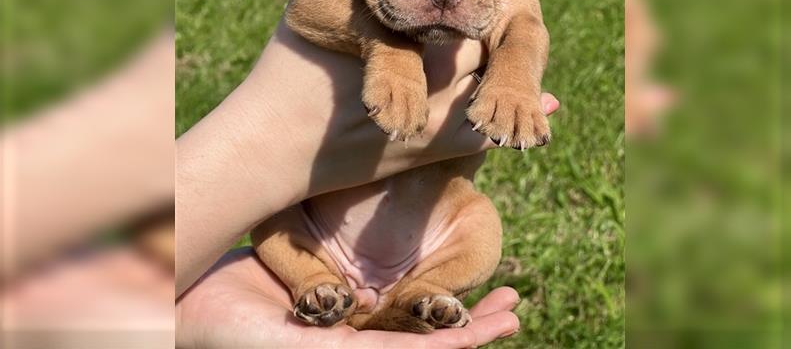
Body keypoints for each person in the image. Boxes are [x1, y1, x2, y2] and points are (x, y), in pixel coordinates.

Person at [176, 20, 559, 347]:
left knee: (479, 225)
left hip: (435, 238)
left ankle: (424, 292)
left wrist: (512, 84)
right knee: (274, 219)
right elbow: (314, 4)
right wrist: (394, 55)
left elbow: (525, 24)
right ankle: (313, 281)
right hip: (317, 235)